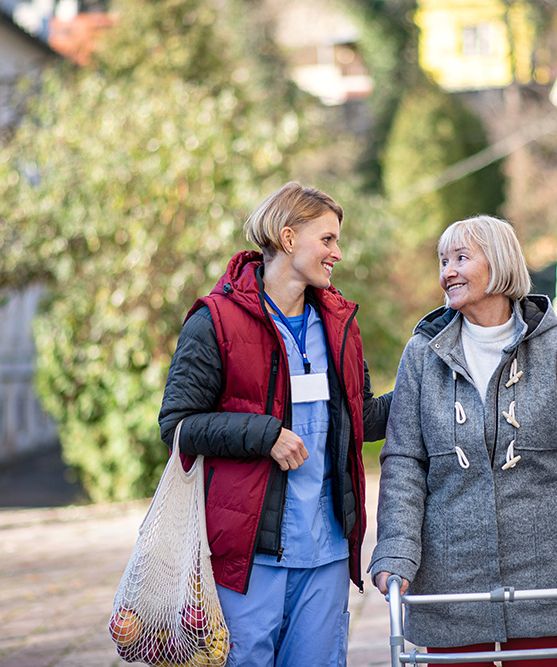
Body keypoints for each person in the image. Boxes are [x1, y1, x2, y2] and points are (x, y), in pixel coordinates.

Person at [369, 215, 557, 667]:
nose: (447, 271)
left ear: (500, 263)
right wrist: (395, 549)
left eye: (460, 258)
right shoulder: (422, 354)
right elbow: (404, 463)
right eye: (443, 260)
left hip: (543, 571)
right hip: (450, 571)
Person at [159, 182, 391, 666]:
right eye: (327, 240)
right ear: (288, 239)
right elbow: (178, 426)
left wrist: (425, 380)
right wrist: (265, 435)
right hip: (249, 553)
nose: (337, 253)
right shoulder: (216, 320)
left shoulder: (340, 322)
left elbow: (361, 418)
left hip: (326, 547)